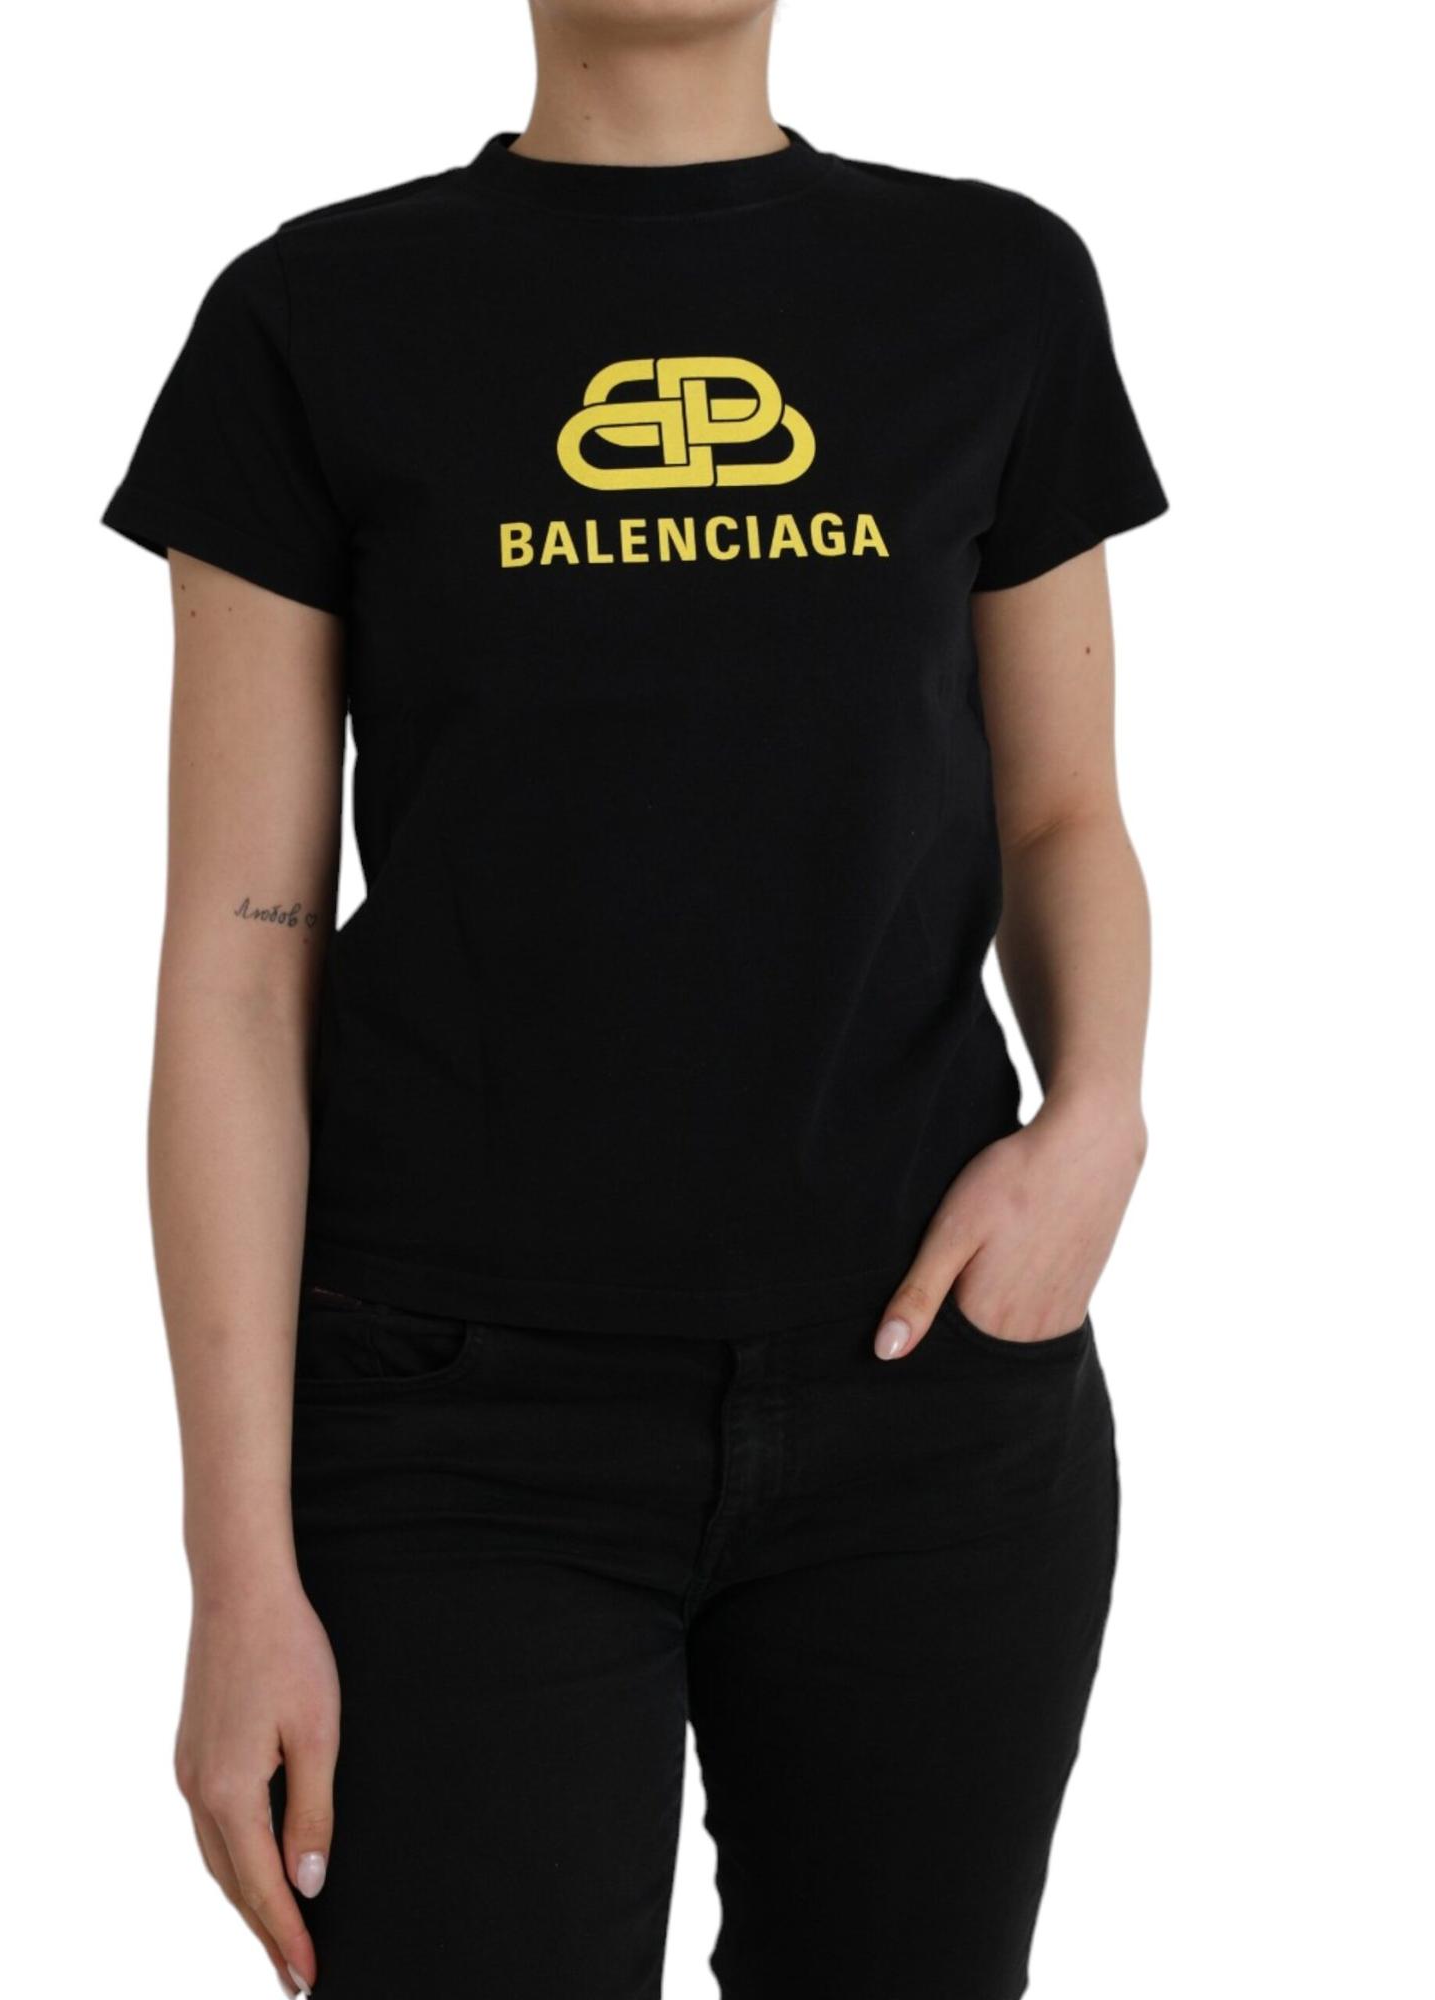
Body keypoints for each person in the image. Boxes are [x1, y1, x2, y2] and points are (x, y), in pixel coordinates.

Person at [101, 3, 1168, 1993]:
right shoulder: (315, 315)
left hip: (925, 1405)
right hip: (448, 1435)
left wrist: (1093, 1113)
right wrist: (236, 1570)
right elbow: (238, 957)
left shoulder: (992, 284)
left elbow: (1060, 814)